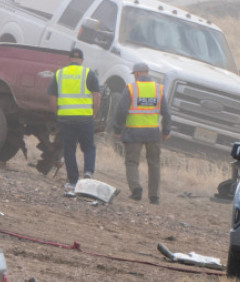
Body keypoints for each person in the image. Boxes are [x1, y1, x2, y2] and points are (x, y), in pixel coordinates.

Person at [110, 61, 171, 204]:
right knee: (154, 163)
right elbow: (166, 113)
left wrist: (117, 129)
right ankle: (154, 196)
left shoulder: (131, 89)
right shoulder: (158, 89)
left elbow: (121, 111)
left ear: (137, 73)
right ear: (147, 73)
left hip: (134, 132)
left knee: (132, 162)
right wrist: (166, 130)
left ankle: (136, 190)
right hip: (153, 132)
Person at [48, 46, 100, 194]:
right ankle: (89, 172)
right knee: (89, 147)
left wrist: (57, 114)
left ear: (69, 59)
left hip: (65, 119)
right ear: (82, 60)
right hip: (84, 118)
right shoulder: (88, 73)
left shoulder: (60, 74)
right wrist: (94, 112)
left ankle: (73, 181)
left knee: (69, 150)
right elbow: (97, 95)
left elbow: (52, 97)